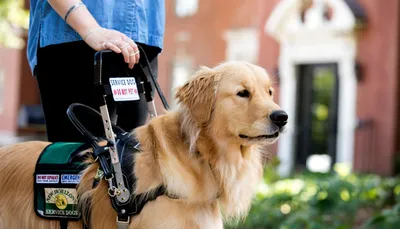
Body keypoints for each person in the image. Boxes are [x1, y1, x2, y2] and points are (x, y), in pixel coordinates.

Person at [27, 0, 165, 143]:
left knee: (133, 157)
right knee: (81, 158)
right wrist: (90, 29)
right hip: (74, 35)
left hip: (143, 36)